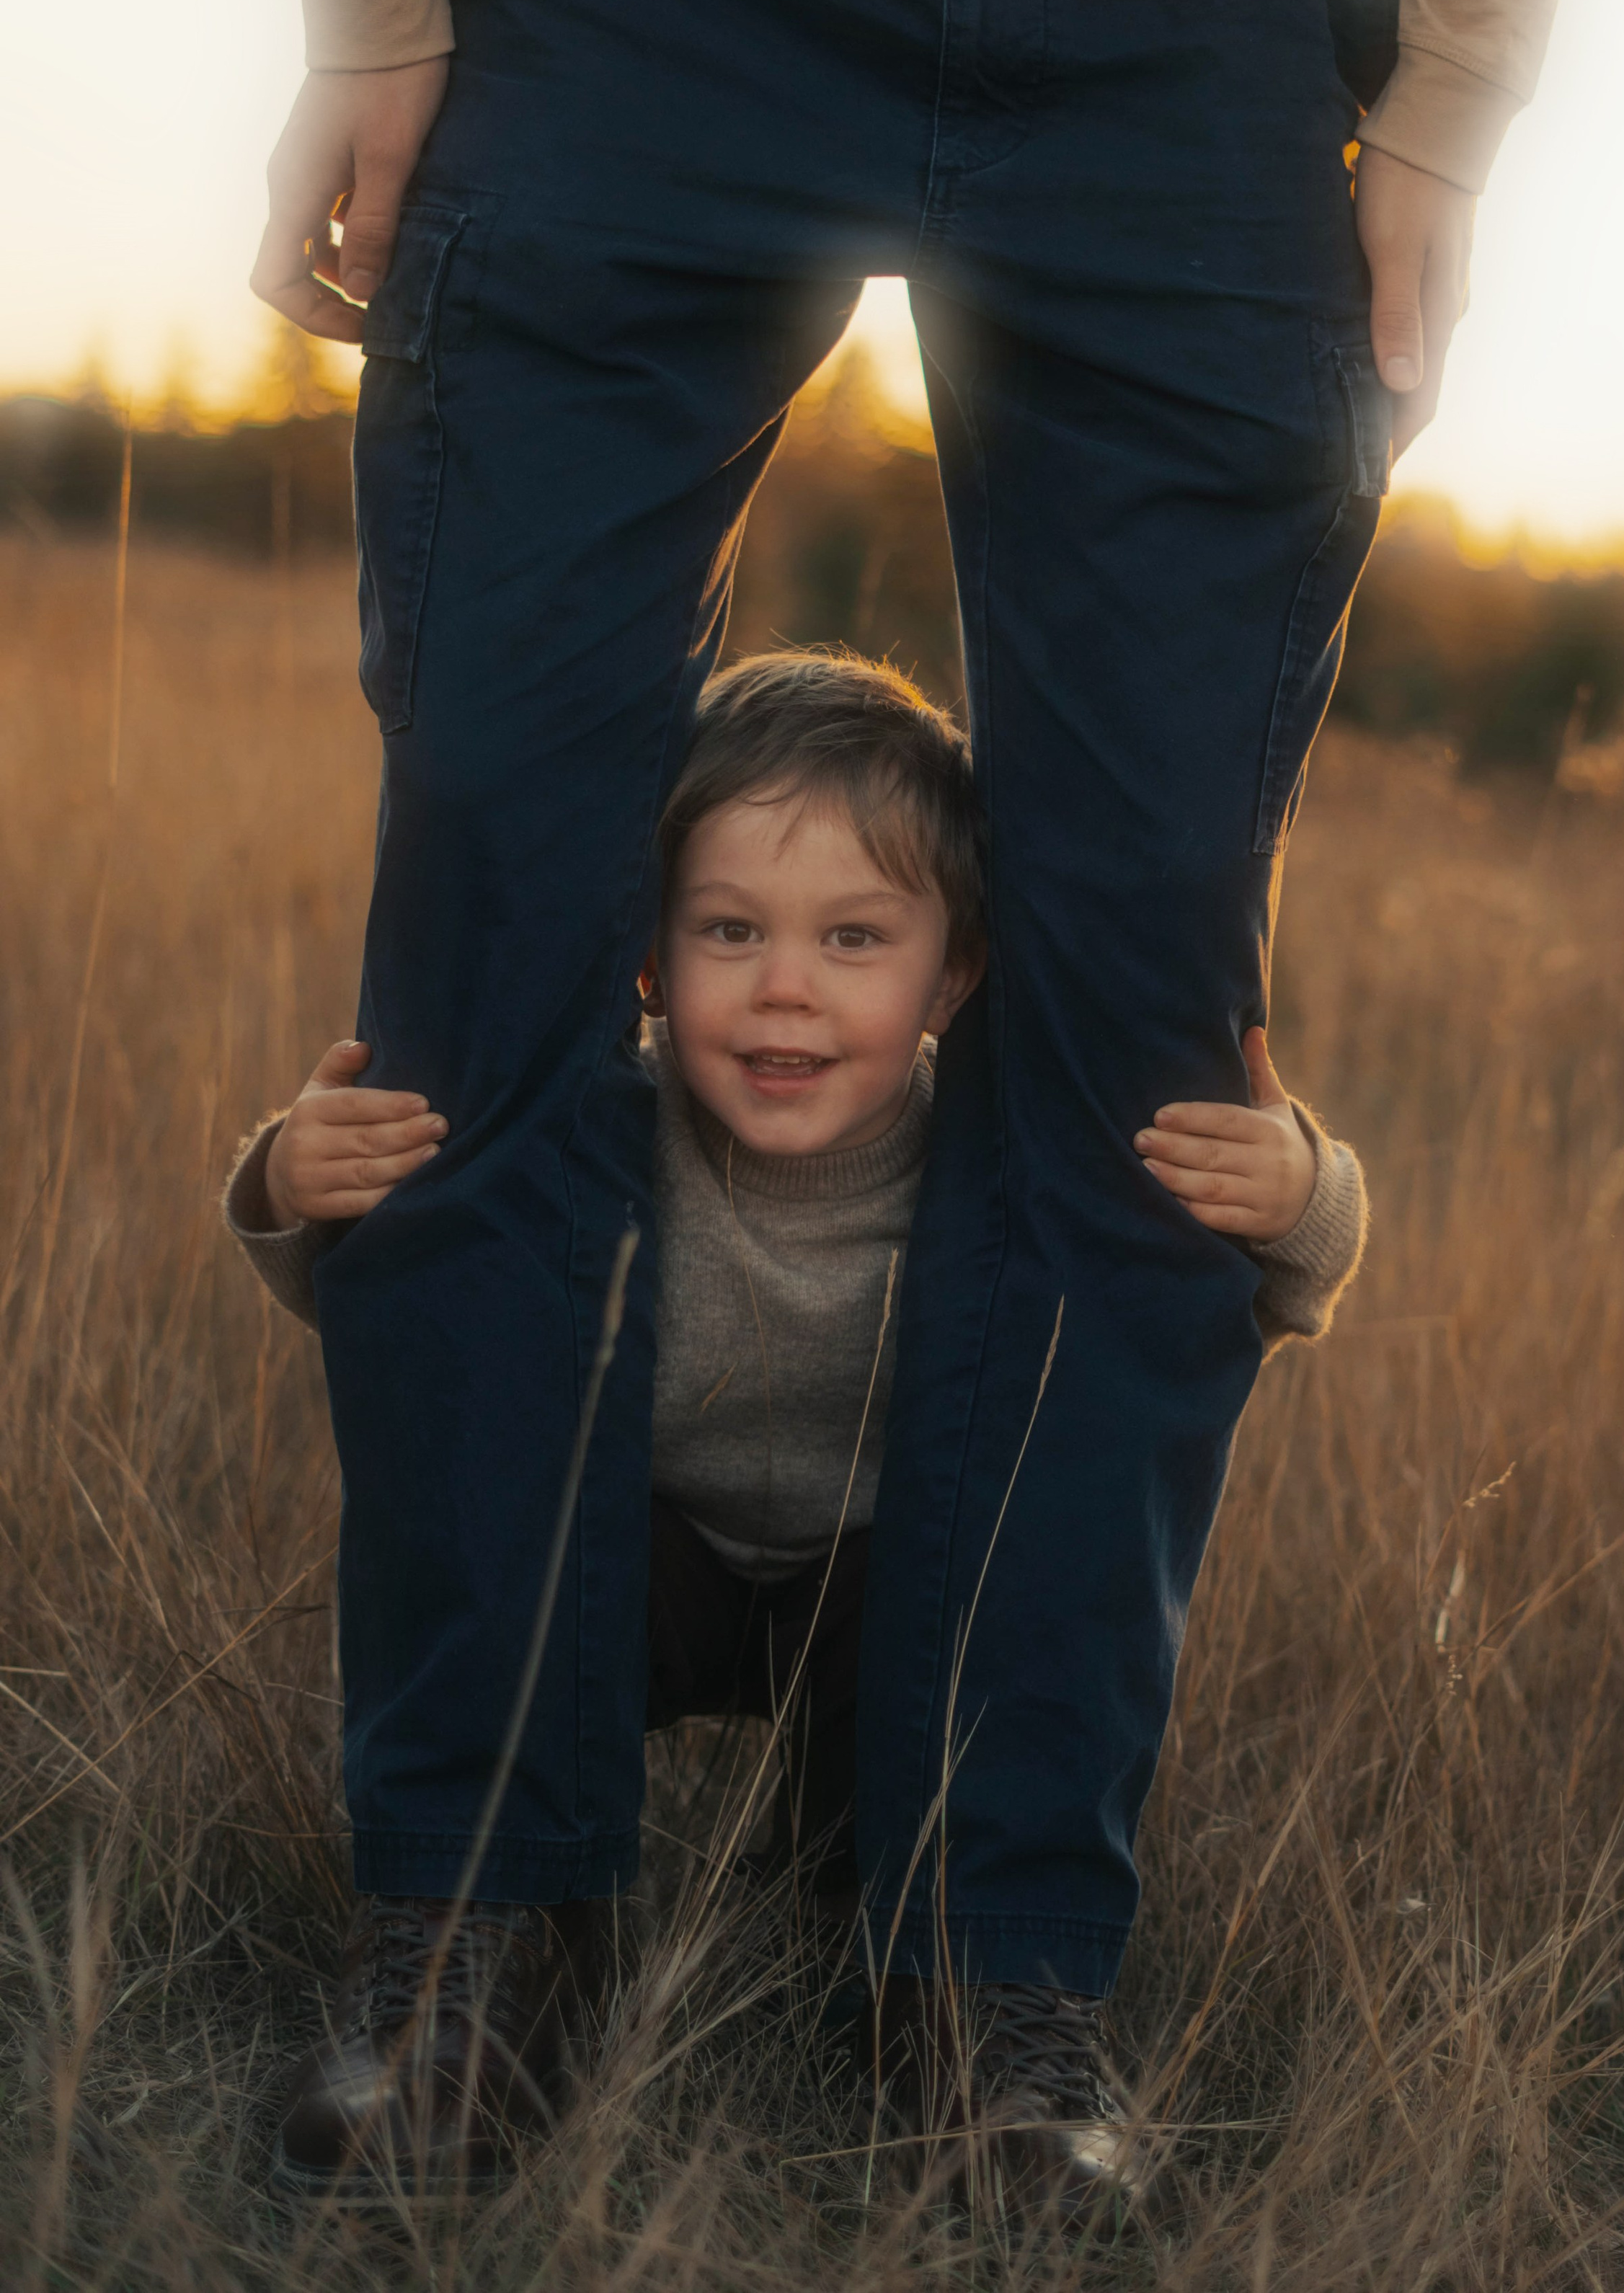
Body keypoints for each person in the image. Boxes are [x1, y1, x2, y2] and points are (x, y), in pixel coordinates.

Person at [250, 0, 1624, 2220]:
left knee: (1144, 1031)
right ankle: (471, 1938)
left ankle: (985, 1978)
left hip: (1209, 0)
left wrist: (1452, 108)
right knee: (488, 937)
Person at [224, 652, 1369, 2200]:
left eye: (852, 939)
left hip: (887, 1588)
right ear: (643, 956)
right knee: (520, 1507)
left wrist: (1301, 1191)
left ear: (950, 975)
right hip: (651, 1565)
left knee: (964, 1634)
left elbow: (1241, 1308)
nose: (784, 988)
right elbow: (424, 1356)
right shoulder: (597, 1135)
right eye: (727, 931)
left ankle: (935, 1973)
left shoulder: (1006, 1163)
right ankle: (517, 1922)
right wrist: (295, 1184)